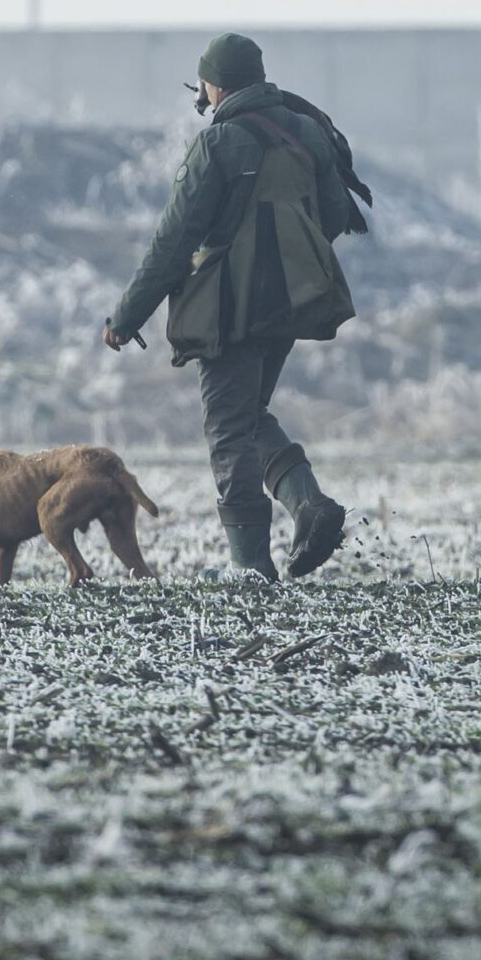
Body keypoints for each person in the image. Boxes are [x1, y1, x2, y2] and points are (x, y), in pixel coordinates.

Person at [103, 33, 366, 582]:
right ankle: (309, 505)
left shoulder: (219, 144)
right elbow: (335, 215)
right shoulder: (306, 131)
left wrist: (126, 318)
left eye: (204, 83)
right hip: (294, 302)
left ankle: (250, 566)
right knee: (249, 417)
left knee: (227, 429)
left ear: (216, 84)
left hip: (231, 309)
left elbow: (174, 241)